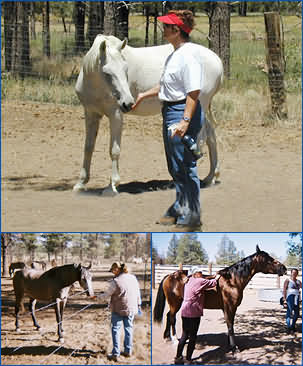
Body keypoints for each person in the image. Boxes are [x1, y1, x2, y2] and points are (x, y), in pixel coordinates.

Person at [132, 10, 205, 232]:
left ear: (177, 30)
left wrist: (184, 121)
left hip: (182, 111)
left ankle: (193, 213)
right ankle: (180, 205)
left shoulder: (188, 56)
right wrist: (144, 95)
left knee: (185, 164)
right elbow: (167, 86)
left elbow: (193, 92)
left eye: (166, 26)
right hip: (171, 111)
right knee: (175, 165)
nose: (163, 29)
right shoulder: (174, 54)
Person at [96, 262, 142, 362]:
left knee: (116, 329)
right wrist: (139, 304)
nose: (112, 273)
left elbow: (106, 295)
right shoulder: (133, 278)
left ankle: (115, 353)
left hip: (118, 309)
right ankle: (128, 351)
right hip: (132, 308)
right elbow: (138, 292)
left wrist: (96, 297)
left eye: (112, 271)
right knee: (128, 328)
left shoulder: (115, 281)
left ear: (116, 270)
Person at [175, 267, 220, 364]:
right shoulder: (199, 281)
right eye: (200, 272)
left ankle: (178, 357)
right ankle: (188, 359)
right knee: (193, 337)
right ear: (195, 274)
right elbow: (213, 283)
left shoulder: (188, 280)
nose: (201, 274)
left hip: (185, 311)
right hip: (194, 313)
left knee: (184, 335)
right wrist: (217, 276)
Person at [283, 268, 301, 334]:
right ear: (291, 273)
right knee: (289, 312)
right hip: (290, 297)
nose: (294, 274)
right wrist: (284, 299)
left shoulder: (299, 281)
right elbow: (284, 290)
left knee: (297, 313)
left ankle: (292, 326)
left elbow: (301, 289)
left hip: (297, 297)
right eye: (293, 273)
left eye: (296, 273)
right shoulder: (288, 280)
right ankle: (288, 326)